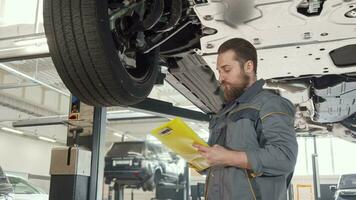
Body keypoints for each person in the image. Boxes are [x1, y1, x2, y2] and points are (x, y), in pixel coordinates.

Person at [193, 38, 298, 200]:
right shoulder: (223, 114)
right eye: (219, 71)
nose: (220, 78)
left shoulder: (271, 104)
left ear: (249, 66)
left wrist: (228, 157)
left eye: (226, 70)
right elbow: (220, 165)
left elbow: (284, 158)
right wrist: (202, 159)